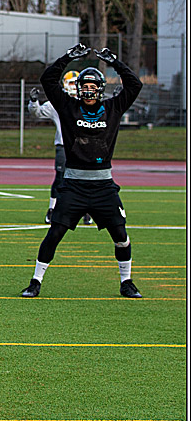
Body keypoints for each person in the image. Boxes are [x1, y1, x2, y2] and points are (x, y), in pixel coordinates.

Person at [20, 43, 144, 299]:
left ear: (100, 89)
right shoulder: (67, 107)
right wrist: (67, 58)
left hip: (103, 186)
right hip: (74, 185)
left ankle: (126, 282)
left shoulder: (113, 108)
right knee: (54, 234)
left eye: (92, 86)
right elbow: (48, 79)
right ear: (78, 89)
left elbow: (135, 85)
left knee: (121, 236)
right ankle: (35, 281)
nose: (88, 90)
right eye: (84, 86)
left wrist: (116, 63)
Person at [28, 70, 92, 225]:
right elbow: (38, 113)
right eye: (70, 83)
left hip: (85, 147)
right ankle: (52, 209)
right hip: (64, 146)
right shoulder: (58, 102)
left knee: (87, 178)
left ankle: (87, 210)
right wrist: (33, 101)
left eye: (76, 83)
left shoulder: (89, 102)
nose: (73, 87)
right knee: (61, 178)